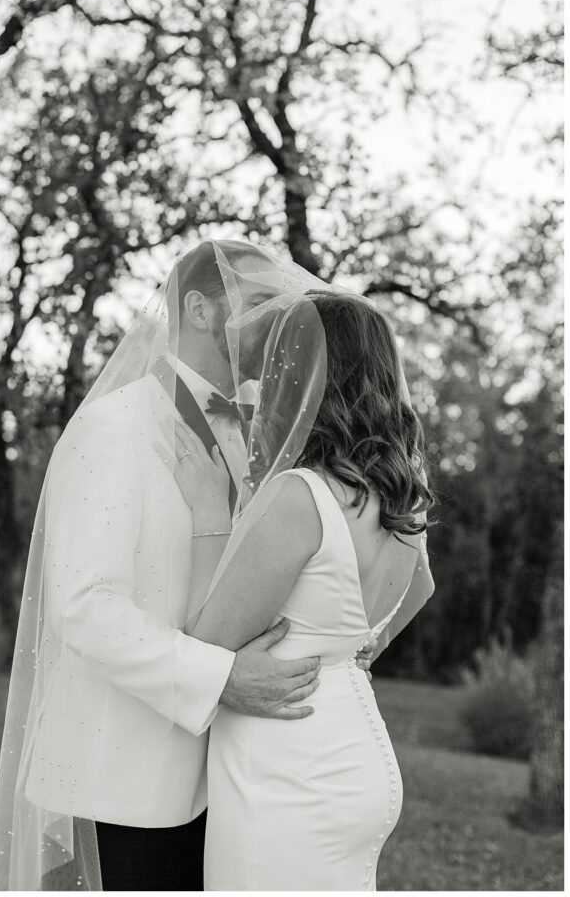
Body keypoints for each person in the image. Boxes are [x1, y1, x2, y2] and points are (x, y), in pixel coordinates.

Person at [0, 239, 377, 891]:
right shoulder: (115, 427)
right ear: (198, 307)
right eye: (257, 304)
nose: (275, 323)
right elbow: (84, 606)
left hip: (229, 777)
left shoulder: (264, 435)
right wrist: (220, 677)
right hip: (124, 777)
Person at [160, 288, 436, 890]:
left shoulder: (301, 495)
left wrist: (210, 508)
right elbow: (420, 589)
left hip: (288, 770)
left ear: (309, 373)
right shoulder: (399, 493)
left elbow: (206, 646)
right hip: (356, 753)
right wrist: (356, 648)